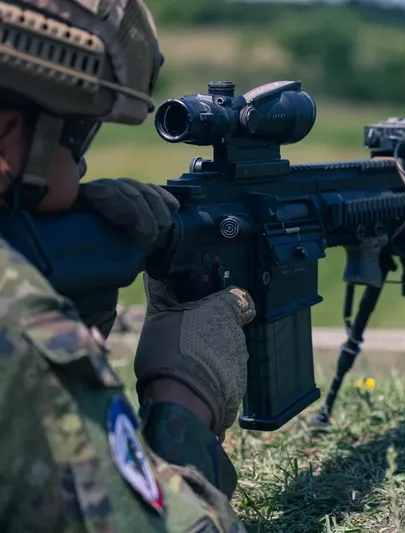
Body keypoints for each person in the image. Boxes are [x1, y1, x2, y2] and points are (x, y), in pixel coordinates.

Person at [0, 0, 254, 530]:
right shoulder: (14, 319)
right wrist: (183, 397)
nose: (86, 164)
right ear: (7, 132)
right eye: (80, 136)